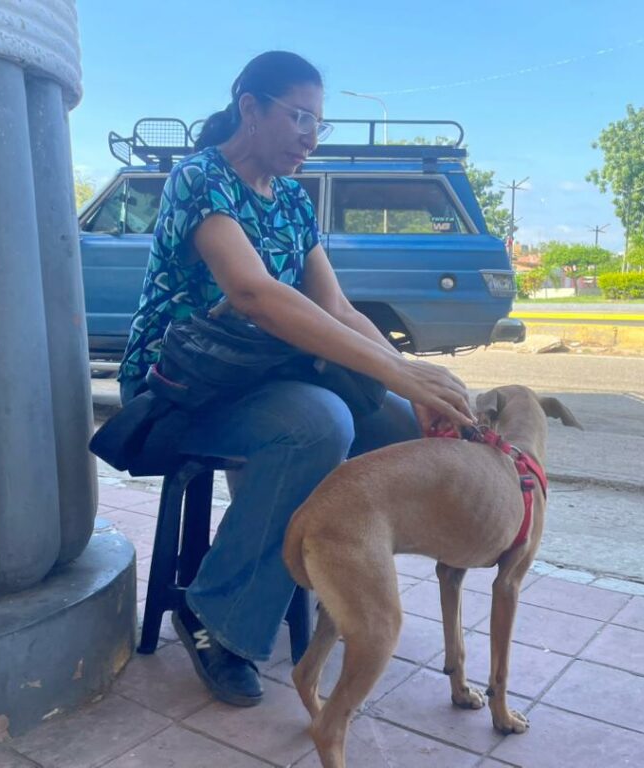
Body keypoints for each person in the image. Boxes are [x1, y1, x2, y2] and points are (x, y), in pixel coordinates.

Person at [119, 51, 473, 707]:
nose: (311, 134)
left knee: (398, 431)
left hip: (256, 377)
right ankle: (216, 616)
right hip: (180, 383)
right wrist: (397, 369)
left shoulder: (289, 201)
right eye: (299, 116)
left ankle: (325, 584)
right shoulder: (200, 179)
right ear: (250, 107)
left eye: (319, 122)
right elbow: (254, 295)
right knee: (318, 424)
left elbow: (335, 309)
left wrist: (410, 383)